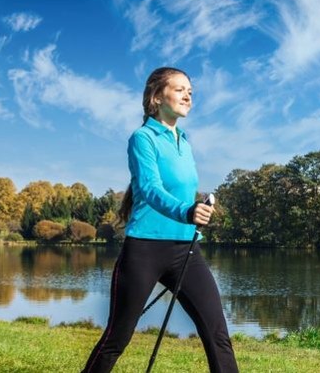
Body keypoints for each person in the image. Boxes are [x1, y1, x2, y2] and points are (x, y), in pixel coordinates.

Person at [83, 67, 238, 372]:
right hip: (144, 250)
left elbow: (182, 189)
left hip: (186, 250)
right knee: (118, 337)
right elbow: (149, 188)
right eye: (180, 89)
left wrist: (200, 208)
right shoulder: (143, 138)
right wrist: (186, 210)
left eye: (190, 91)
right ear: (157, 96)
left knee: (217, 334)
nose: (188, 96)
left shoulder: (184, 140)